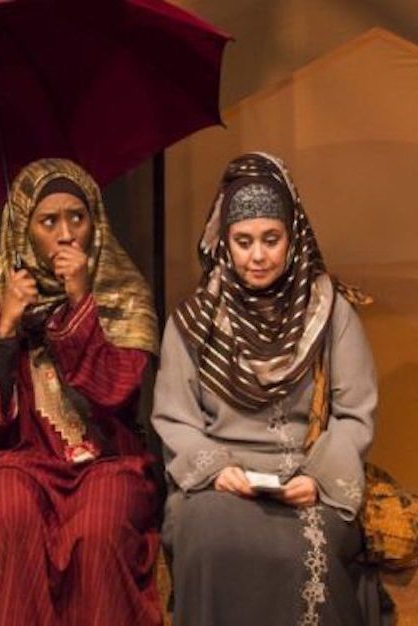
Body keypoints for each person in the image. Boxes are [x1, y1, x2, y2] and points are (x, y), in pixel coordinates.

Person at [152, 152, 384, 625]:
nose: (257, 256)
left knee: (302, 552)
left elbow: (355, 413)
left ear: (293, 237)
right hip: (220, 485)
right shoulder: (194, 322)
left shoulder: (329, 312)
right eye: (243, 241)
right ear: (224, 242)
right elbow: (175, 417)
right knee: (209, 538)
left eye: (271, 239)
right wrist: (216, 470)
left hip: (307, 479)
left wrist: (318, 478)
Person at [0, 158, 162, 626]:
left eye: (77, 217)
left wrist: (80, 301)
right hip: (23, 460)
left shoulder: (123, 294)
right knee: (11, 518)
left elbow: (116, 391)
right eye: (48, 221)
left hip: (107, 461)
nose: (67, 234)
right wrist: (7, 328)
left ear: (96, 221)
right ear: (25, 231)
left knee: (97, 530)